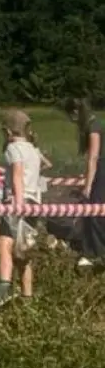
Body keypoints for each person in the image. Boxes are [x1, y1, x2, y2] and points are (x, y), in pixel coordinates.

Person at [0, 110, 45, 311]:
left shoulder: (13, 148)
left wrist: (17, 203)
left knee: (4, 244)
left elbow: (17, 174)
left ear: (7, 131)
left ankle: (4, 288)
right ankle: (27, 297)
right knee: (23, 251)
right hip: (34, 201)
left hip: (17, 201)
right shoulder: (33, 148)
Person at [67, 99, 104, 268]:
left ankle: (97, 252)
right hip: (100, 169)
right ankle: (92, 249)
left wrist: (87, 186)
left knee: (94, 210)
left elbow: (93, 158)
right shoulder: (94, 124)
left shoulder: (93, 127)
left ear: (76, 112)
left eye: (71, 116)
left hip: (102, 170)